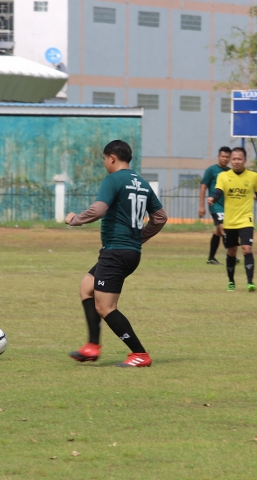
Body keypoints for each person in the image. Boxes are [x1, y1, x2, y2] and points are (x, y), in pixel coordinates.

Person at [65, 140, 168, 367]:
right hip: (128, 252)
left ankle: (139, 354)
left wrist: (74, 220)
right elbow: (160, 217)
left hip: (116, 252)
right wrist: (138, 238)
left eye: (104, 159)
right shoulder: (142, 183)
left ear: (112, 157)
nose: (104, 163)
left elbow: (98, 209)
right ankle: (92, 346)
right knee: (87, 286)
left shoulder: (112, 180)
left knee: (105, 307)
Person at [207, 146, 257, 292]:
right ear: (231, 160)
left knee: (247, 249)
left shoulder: (253, 177)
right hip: (230, 221)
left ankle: (250, 282)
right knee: (231, 252)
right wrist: (213, 199)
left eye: (239, 159)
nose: (236, 161)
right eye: (234, 159)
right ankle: (231, 281)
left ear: (245, 160)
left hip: (246, 220)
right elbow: (218, 192)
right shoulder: (223, 176)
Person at [198, 146, 231, 265]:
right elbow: (203, 187)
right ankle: (231, 254)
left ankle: (211, 258)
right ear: (218, 157)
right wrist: (201, 206)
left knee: (217, 231)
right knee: (224, 228)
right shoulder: (211, 170)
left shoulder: (230, 172)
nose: (225, 159)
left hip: (226, 206)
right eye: (223, 156)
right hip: (215, 204)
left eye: (227, 157)